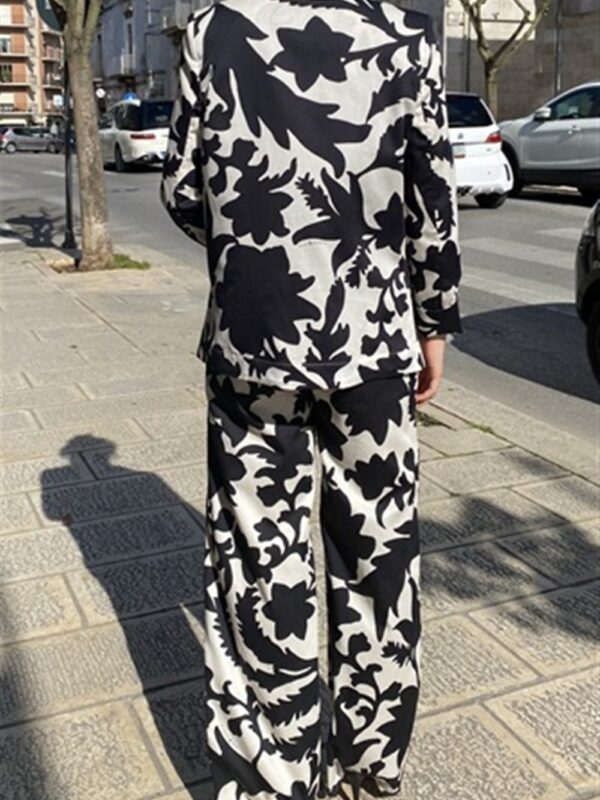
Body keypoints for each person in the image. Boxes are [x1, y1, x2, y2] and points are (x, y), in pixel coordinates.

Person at [160, 1, 462, 798]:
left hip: (255, 334)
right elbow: (432, 200)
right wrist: (434, 318)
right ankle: (370, 760)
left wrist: (260, 247)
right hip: (374, 338)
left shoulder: (213, 29)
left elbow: (184, 190)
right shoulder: (406, 33)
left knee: (260, 554)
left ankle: (278, 766)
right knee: (379, 549)